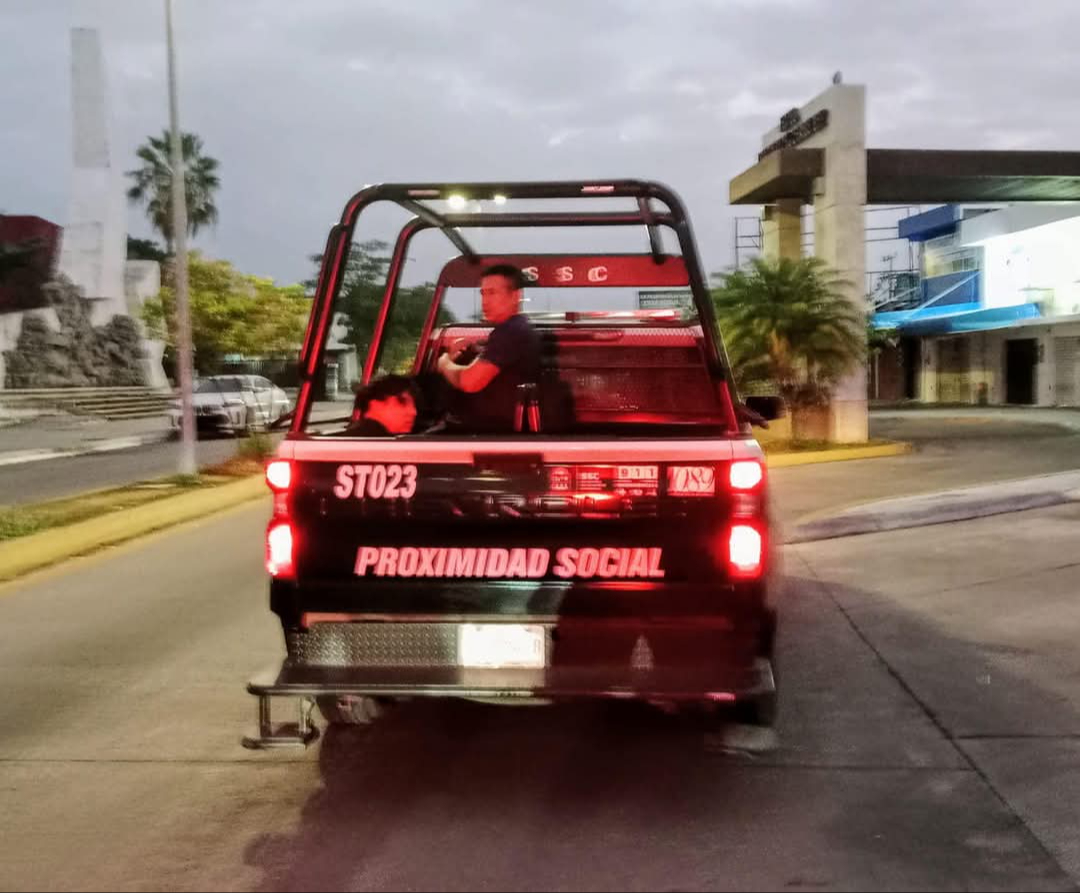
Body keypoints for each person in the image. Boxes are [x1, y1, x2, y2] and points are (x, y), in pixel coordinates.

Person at [436, 263, 541, 431]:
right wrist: (478, 347)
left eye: (492, 293)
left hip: (481, 431)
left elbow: (469, 382)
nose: (485, 301)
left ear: (515, 296)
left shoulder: (510, 331)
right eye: (483, 293)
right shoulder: (514, 330)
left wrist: (444, 362)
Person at [346, 374, 419, 436]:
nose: (413, 412)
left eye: (414, 404)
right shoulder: (358, 443)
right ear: (374, 404)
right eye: (401, 401)